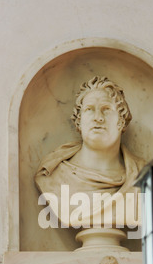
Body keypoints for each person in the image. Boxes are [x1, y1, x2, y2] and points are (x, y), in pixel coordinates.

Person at [34, 76, 145, 228]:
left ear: (121, 120)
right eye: (89, 110)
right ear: (79, 121)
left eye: (106, 110)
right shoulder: (54, 175)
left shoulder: (144, 177)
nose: (98, 118)